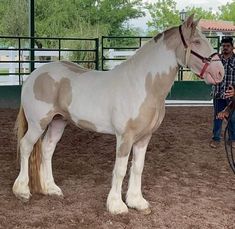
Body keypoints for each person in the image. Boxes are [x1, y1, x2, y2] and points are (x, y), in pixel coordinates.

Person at [210, 36, 235, 148]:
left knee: (232, 118)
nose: (225, 48)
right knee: (217, 118)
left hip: (232, 96)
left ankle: (232, 139)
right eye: (223, 46)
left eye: (227, 46)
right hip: (218, 94)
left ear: (232, 47)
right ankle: (216, 138)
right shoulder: (216, 60)